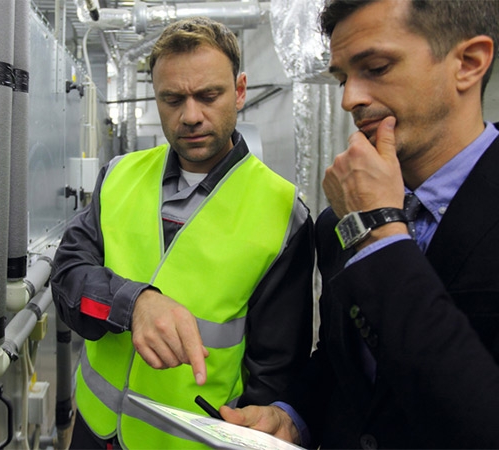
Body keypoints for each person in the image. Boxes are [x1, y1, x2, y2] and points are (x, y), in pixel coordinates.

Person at [220, 0, 499, 448]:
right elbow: (344, 361)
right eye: (342, 78)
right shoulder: (340, 220)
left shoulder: (367, 222)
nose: (350, 99)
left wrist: (380, 233)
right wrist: (292, 416)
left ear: (469, 63)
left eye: (376, 68)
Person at [50, 16, 315, 449]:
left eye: (209, 96)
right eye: (172, 99)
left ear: (240, 91)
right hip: (94, 431)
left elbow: (275, 374)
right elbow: (67, 277)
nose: (191, 116)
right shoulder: (119, 175)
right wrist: (133, 304)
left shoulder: (283, 214)